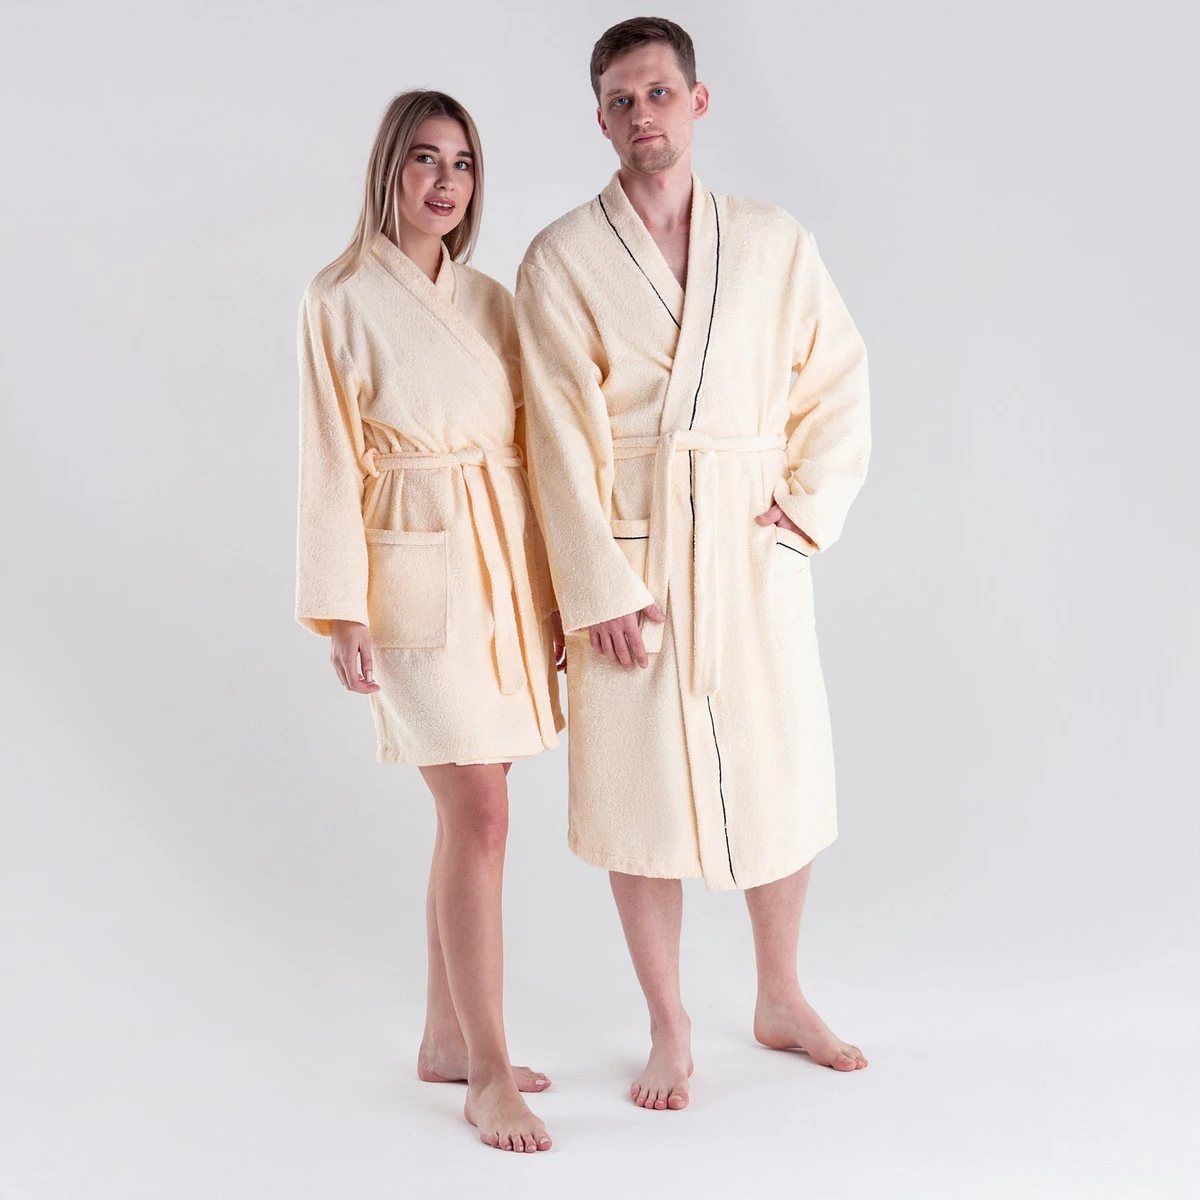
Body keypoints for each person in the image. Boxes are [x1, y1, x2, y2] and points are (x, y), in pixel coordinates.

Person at [515, 19, 871, 1112]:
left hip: (751, 545)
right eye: (622, 100)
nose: (643, 115)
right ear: (600, 119)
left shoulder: (770, 240)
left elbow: (838, 378)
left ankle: (781, 996)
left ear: (698, 101)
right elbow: (556, 438)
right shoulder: (561, 258)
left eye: (660, 93)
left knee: (782, 766)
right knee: (637, 791)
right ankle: (669, 1023)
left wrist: (804, 511)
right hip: (634, 555)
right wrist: (597, 585)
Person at [295, 89, 564, 1152]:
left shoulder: (491, 301)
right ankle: (488, 1073)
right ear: (388, 169)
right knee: (482, 814)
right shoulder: (338, 298)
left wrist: (552, 593)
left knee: (471, 819)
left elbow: (535, 455)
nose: (445, 181)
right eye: (423, 158)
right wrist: (340, 608)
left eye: (462, 163)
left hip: (498, 567)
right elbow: (328, 457)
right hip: (410, 569)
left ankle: (445, 1037)